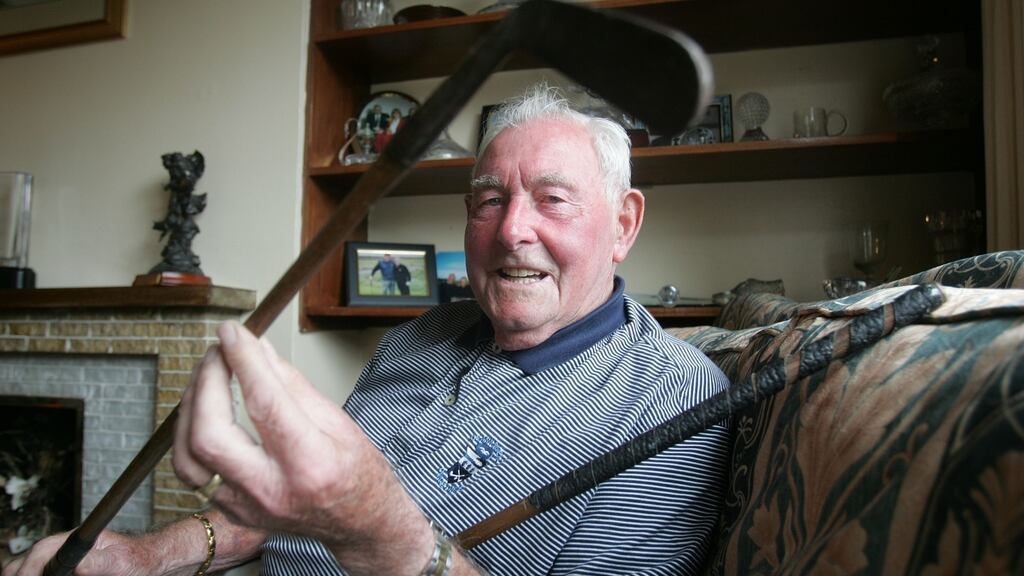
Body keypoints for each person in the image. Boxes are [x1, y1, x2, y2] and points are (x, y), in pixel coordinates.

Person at [3, 84, 730, 576]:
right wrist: (146, 556)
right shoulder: (418, 337)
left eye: (553, 200)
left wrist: (377, 528)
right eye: (488, 200)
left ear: (624, 224)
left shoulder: (671, 401)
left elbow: (352, 521)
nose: (513, 231)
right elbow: (289, 516)